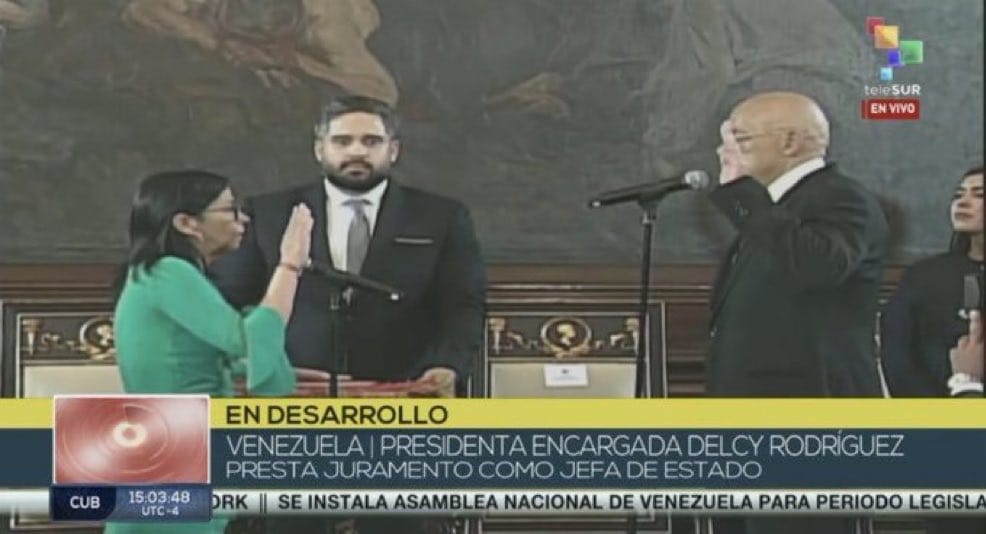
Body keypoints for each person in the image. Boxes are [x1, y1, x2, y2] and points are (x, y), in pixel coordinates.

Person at [210, 94, 486, 534]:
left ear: (393, 150)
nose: (356, 151)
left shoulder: (441, 216)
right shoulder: (270, 212)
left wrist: (447, 366)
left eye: (371, 141)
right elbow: (229, 298)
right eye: (342, 141)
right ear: (319, 148)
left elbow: (463, 304)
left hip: (399, 401)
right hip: (295, 405)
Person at [707, 92, 889, 534]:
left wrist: (742, 194)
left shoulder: (841, 199)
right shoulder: (775, 211)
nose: (725, 152)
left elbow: (817, 266)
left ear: (789, 142)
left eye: (741, 139)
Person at [107, 169, 313, 534]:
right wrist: (290, 264)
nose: (242, 219)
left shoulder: (157, 273)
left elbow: (198, 358)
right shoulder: (168, 271)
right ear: (187, 223)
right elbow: (245, 340)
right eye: (230, 210)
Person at [881, 167, 984, 397]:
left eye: (979, 195)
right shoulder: (923, 276)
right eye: (959, 194)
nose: (963, 202)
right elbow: (897, 353)